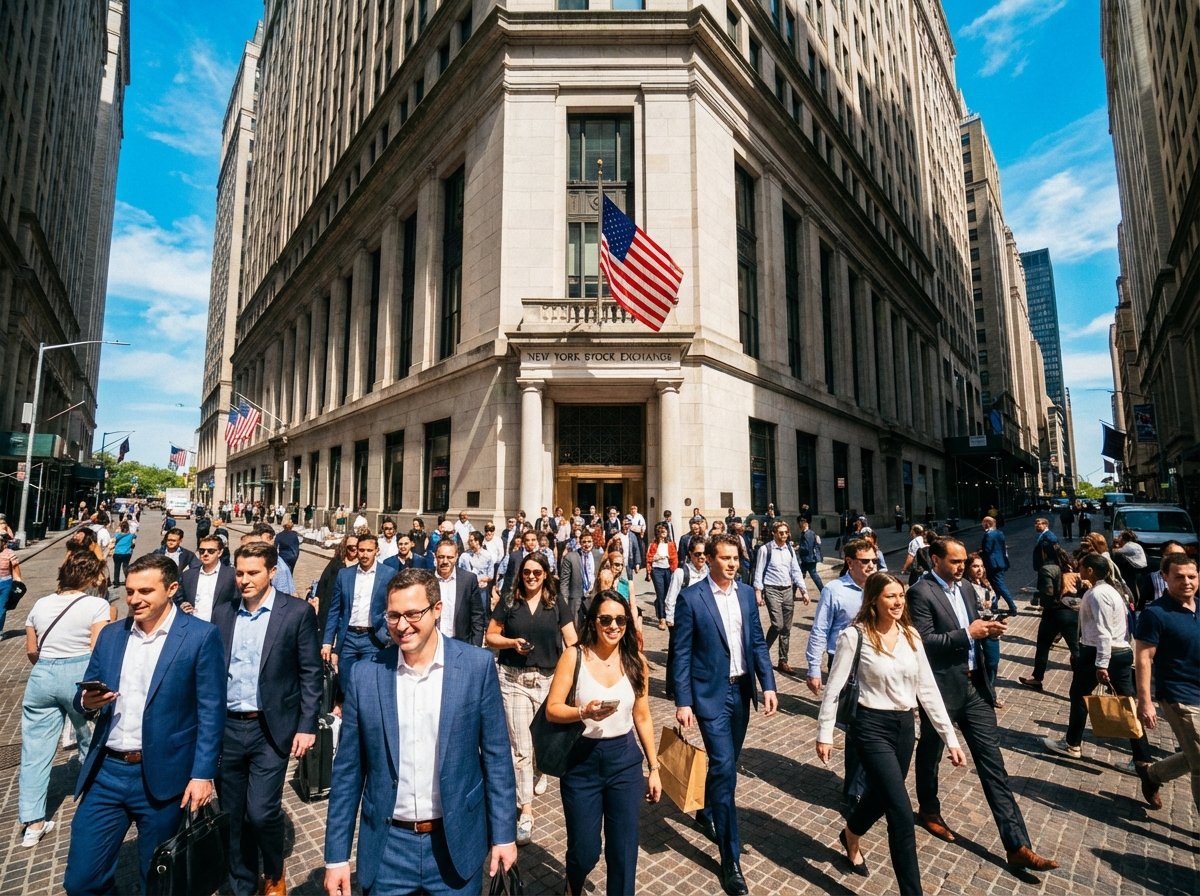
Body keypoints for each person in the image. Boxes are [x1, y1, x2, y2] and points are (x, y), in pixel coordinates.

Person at [323, 567, 518, 895]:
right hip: (387, 849)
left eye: (413, 614)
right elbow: (347, 773)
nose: (402, 625)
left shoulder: (475, 667)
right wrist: (336, 857)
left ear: (437, 610)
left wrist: (504, 834)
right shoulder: (365, 676)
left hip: (455, 844)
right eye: (393, 615)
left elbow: (497, 758)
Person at [63, 554, 225, 894]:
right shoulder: (111, 635)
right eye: (131, 591)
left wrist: (202, 774)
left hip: (164, 776)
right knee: (81, 880)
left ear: (172, 589)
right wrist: (86, 702)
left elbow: (211, 710)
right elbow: (88, 687)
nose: (134, 599)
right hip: (106, 773)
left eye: (146, 591)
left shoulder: (200, 636)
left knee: (157, 880)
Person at [907, 537, 1058, 872]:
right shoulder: (920, 592)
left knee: (993, 765)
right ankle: (929, 809)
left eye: (964, 561)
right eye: (955, 561)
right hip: (942, 690)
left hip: (976, 688)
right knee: (930, 753)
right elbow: (925, 643)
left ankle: (1017, 844)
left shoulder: (965, 590)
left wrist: (989, 631)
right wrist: (969, 633)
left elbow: (973, 629)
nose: (962, 567)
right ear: (936, 560)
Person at [816, 572, 965, 893]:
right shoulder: (854, 637)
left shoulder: (911, 636)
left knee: (880, 797)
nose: (898, 602)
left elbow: (927, 690)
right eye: (890, 596)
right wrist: (824, 732)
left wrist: (949, 737)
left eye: (901, 596)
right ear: (874, 600)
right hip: (869, 727)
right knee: (899, 810)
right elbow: (834, 688)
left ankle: (850, 834)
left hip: (903, 728)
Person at [214, 542, 322, 895]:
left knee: (260, 811)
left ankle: (274, 871)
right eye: (239, 573)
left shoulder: (296, 613)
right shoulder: (223, 612)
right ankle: (243, 883)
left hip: (271, 728)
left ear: (272, 572)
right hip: (228, 726)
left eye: (253, 573)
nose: (243, 580)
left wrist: (307, 726)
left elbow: (310, 673)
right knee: (233, 816)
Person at [672, 533, 777, 896]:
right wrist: (683, 701)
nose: (733, 564)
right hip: (710, 695)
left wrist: (768, 684)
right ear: (710, 560)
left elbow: (758, 642)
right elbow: (681, 654)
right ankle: (730, 859)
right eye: (727, 558)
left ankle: (706, 809)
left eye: (737, 558)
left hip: (741, 691)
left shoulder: (746, 594)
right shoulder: (691, 598)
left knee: (726, 765)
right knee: (724, 768)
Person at [544, 591, 662, 895]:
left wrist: (654, 766)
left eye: (620, 619)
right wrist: (583, 711)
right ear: (593, 622)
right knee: (585, 850)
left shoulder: (637, 662)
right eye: (606, 619)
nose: (613, 626)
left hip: (624, 759)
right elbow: (553, 709)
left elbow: (643, 716)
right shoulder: (574, 656)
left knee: (624, 850)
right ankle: (574, 883)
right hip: (581, 761)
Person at [19, 553, 113, 848]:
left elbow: (31, 650)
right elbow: (99, 648)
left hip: (43, 674)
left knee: (35, 750)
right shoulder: (96, 604)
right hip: (79, 672)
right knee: (90, 741)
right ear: (89, 577)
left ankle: (33, 823)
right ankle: (92, 802)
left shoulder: (40, 604)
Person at [485, 550, 578, 845]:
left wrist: (575, 674)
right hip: (513, 680)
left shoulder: (556, 604)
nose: (531, 577)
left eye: (537, 573)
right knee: (521, 748)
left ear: (546, 575)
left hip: (548, 681)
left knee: (543, 739)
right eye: (527, 572)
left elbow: (572, 641)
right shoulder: (510, 601)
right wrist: (512, 643)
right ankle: (526, 810)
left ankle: (541, 770)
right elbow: (491, 636)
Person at [1041, 553, 1153, 766]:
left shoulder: (1098, 594)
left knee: (1080, 695)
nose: (1079, 570)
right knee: (1126, 704)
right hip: (1118, 651)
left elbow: (1103, 631)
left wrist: (1101, 663)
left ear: (1090, 570)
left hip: (1100, 652)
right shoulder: (1110, 590)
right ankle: (1142, 758)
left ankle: (1072, 743)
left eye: (1081, 566)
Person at [805, 538, 875, 811]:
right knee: (856, 725)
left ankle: (867, 781)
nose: (871, 565)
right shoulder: (834, 590)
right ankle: (855, 789)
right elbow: (820, 630)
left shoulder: (878, 586)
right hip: (843, 661)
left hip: (874, 660)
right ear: (850, 562)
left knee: (871, 721)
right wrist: (813, 668)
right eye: (865, 561)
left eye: (873, 560)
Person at [1133, 553, 1200, 813]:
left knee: (1193, 753)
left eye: (1192, 576)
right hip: (1179, 696)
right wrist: (1145, 701)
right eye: (1179, 577)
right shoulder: (1155, 614)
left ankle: (1152, 775)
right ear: (1165, 578)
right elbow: (1144, 658)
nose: (1187, 582)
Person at [323, 533, 391, 682]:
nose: (364, 554)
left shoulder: (388, 574)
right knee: (346, 684)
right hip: (348, 637)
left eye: (369, 550)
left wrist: (388, 633)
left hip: (373, 638)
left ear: (376, 551)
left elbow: (393, 607)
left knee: (368, 681)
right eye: (361, 550)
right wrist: (328, 641)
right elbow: (335, 610)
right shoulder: (344, 574)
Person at [1018, 544, 1082, 692]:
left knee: (1043, 646)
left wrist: (1038, 597)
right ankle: (1082, 680)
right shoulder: (1071, 567)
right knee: (1075, 648)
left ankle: (1037, 678)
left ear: (1044, 554)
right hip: (1073, 611)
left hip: (1053, 613)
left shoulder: (1047, 569)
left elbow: (1048, 593)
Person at [753, 520, 809, 675]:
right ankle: (761, 655)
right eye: (781, 533)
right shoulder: (766, 549)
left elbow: (795, 570)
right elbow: (758, 571)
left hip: (788, 591)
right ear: (774, 533)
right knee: (777, 625)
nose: (784, 535)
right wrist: (758, 592)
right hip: (772, 590)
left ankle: (783, 661)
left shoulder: (789, 549)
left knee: (786, 629)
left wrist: (803, 591)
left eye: (786, 532)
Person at [431, 537, 486, 646]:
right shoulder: (426, 579)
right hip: (432, 643)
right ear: (435, 556)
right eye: (441, 557)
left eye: (450, 557)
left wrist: (475, 646)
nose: (445, 561)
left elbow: (477, 616)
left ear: (456, 557)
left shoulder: (468, 580)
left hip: (460, 643)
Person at [964, 553, 1003, 705]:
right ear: (968, 568)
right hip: (978, 628)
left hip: (992, 628)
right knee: (979, 664)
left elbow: (993, 604)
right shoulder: (966, 587)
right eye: (975, 566)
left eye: (981, 566)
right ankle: (986, 695)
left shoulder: (986, 584)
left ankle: (990, 691)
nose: (979, 569)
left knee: (993, 662)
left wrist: (999, 616)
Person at [176, 534, 239, 621]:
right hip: (193, 625)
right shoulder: (188, 575)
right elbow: (178, 599)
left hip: (220, 627)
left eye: (211, 551)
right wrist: (182, 605)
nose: (205, 554)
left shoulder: (231, 574)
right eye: (202, 551)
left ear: (220, 552)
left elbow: (238, 602)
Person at [559, 530, 603, 627]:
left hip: (593, 597)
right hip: (576, 598)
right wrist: (564, 599)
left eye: (589, 542)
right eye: (584, 542)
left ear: (593, 542)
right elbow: (564, 581)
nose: (587, 545)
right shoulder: (570, 557)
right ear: (580, 542)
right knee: (576, 627)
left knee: (594, 627)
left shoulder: (598, 556)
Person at [979, 517, 1017, 614]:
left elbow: (987, 550)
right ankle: (994, 605)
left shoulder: (988, 535)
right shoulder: (999, 533)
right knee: (995, 586)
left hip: (992, 565)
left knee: (1000, 585)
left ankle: (1012, 607)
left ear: (987, 524)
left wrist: (979, 553)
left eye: (983, 523)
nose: (982, 525)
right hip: (1001, 562)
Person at [645, 523, 677, 629]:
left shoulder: (671, 544)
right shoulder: (653, 544)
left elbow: (674, 557)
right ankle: (662, 618)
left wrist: (668, 558)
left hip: (668, 570)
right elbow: (649, 558)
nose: (662, 533)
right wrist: (654, 560)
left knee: (668, 594)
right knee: (660, 594)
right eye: (660, 531)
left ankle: (668, 615)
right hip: (657, 570)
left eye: (664, 531)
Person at [0, 531, 25, 636]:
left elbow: (15, 568)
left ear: (3, 542)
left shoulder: (9, 553)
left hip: (6, 583)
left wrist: (18, 582)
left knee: (2, 608)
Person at [794, 517, 824, 593]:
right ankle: (792, 593)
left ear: (805, 524)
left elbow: (807, 547)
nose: (799, 525)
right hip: (807, 559)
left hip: (809, 560)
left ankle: (823, 592)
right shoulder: (807, 533)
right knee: (800, 576)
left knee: (813, 576)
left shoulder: (808, 534)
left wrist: (798, 547)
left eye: (801, 523)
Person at [110, 521, 136, 587]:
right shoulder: (131, 535)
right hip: (127, 553)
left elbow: (114, 539)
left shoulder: (117, 535)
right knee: (125, 567)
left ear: (121, 527)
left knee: (117, 568)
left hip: (117, 553)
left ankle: (116, 582)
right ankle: (128, 580)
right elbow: (134, 540)